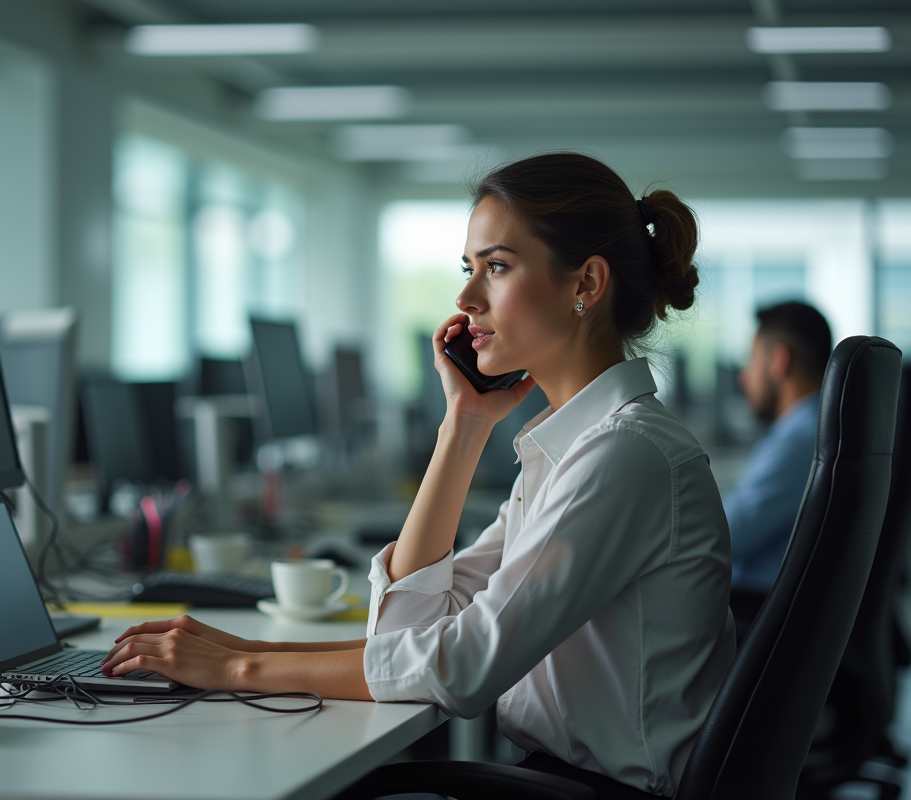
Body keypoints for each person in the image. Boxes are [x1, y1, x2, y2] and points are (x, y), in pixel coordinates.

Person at [100, 153, 734, 798]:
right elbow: (408, 632)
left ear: (586, 284)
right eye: (470, 268)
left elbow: (461, 666)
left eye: (497, 266)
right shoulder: (572, 449)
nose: (465, 299)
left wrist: (241, 665)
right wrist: (463, 428)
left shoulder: (623, 456)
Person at [725, 301, 831, 636]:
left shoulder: (801, 440)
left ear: (779, 361)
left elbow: (724, 537)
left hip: (757, 614)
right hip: (771, 613)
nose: (744, 377)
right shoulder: (814, 429)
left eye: (751, 360)